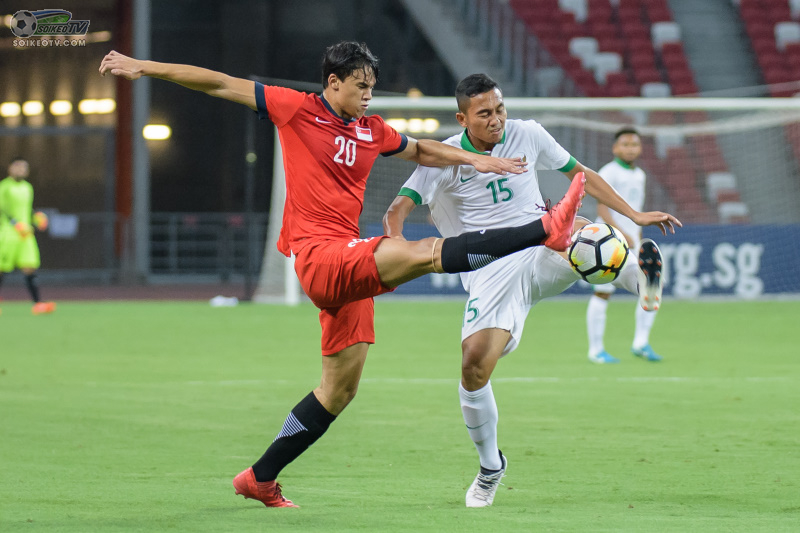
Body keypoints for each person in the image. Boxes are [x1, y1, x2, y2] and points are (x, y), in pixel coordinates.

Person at [99, 41, 590, 508]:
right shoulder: (294, 108)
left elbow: (422, 150)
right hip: (321, 256)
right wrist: (146, 67)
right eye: (360, 85)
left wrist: (476, 159)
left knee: (338, 390)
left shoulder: (370, 128)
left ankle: (259, 478)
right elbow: (219, 82)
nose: (367, 95)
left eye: (372, 86)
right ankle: (545, 228)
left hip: (348, 265)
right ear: (332, 83)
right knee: (422, 252)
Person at [383, 74, 680, 508]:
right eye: (484, 113)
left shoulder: (528, 133)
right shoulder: (442, 157)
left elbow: (582, 174)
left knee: (586, 233)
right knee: (473, 368)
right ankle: (490, 467)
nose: (497, 119)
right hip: (489, 269)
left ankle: (640, 281)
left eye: (499, 108)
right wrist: (395, 252)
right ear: (463, 117)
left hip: (542, 245)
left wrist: (632, 214)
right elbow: (398, 210)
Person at [586, 127, 661, 364]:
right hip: (607, 242)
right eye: (625, 144)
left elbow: (635, 210)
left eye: (635, 144)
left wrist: (636, 238)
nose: (630, 149)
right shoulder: (608, 171)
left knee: (651, 286)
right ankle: (596, 350)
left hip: (632, 241)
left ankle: (641, 342)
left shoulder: (640, 174)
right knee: (603, 293)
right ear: (615, 148)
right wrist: (620, 235)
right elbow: (601, 208)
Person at [0, 157, 56, 315]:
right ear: (10, 168)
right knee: (2, 268)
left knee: (30, 267)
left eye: (24, 167)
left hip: (26, 234)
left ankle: (38, 303)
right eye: (17, 166)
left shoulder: (27, 188)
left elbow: (27, 209)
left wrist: (36, 217)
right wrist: (15, 224)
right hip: (8, 233)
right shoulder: (4, 187)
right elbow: (2, 210)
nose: (21, 170)